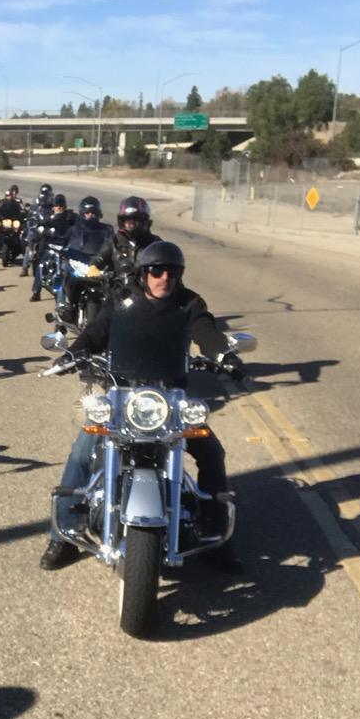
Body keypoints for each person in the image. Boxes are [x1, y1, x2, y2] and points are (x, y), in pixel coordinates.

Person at [40, 240, 246, 571]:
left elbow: (205, 330)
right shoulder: (120, 298)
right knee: (82, 451)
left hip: (170, 399)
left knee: (211, 452)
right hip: (122, 394)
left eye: (172, 272)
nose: (165, 277)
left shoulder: (188, 302)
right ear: (143, 273)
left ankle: (217, 537)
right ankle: (62, 537)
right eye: (156, 271)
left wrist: (223, 354)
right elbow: (96, 331)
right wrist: (73, 354)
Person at [57, 195, 114, 321]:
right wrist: (62, 252)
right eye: (87, 213)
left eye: (93, 213)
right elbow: (62, 244)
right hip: (80, 265)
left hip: (99, 267)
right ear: (82, 214)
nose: (90, 215)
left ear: (98, 214)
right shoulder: (74, 230)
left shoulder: (107, 230)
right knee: (67, 277)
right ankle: (69, 306)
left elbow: (114, 246)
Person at [89, 195, 156, 298]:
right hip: (118, 295)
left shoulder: (155, 244)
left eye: (135, 219)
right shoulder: (114, 242)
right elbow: (98, 259)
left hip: (148, 295)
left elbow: (170, 266)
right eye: (127, 220)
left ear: (144, 220)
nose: (130, 223)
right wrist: (93, 268)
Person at [25, 192, 75, 300]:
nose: (59, 207)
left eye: (61, 205)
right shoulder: (49, 218)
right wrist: (45, 231)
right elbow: (39, 226)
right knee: (41, 266)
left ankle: (71, 291)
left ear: (65, 206)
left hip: (67, 248)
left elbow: (81, 227)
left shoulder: (71, 217)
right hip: (52, 247)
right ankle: (36, 292)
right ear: (53, 207)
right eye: (57, 205)